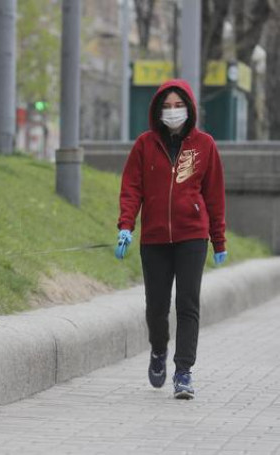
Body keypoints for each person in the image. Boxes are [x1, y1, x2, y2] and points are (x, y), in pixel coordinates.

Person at [115, 78, 227, 400]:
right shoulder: (144, 145)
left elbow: (215, 195)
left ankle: (183, 372)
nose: (173, 111)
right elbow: (131, 189)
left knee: (188, 303)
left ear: (189, 109)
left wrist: (218, 240)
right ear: (158, 110)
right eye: (167, 106)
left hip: (192, 235)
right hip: (154, 238)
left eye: (179, 105)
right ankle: (158, 350)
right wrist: (126, 225)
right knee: (156, 307)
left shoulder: (204, 145)